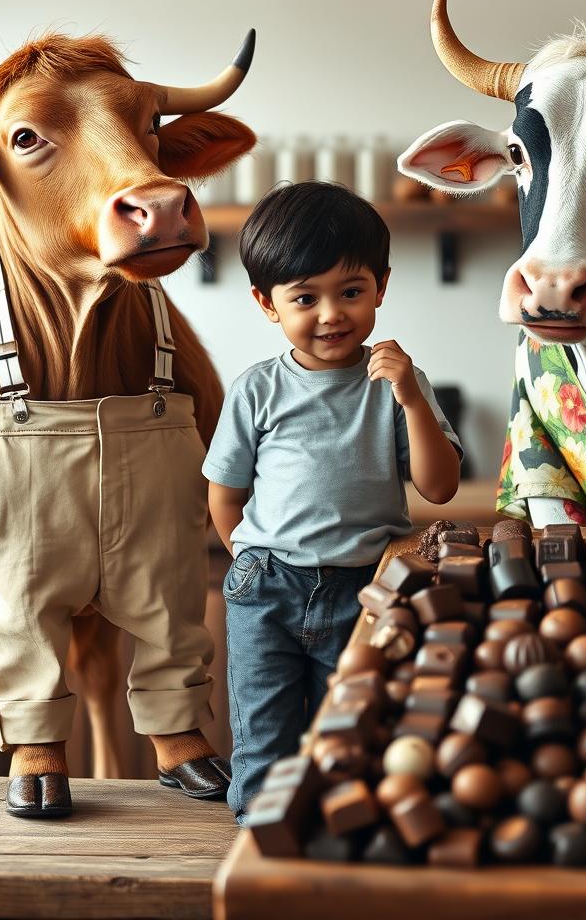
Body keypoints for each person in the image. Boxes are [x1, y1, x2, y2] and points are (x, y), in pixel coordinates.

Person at [203, 181, 463, 820]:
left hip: (365, 590)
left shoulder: (397, 382)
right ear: (268, 305)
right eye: (304, 298)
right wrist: (247, 554)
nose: (331, 315)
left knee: (345, 736)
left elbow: (440, 486)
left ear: (382, 285)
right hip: (267, 589)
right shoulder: (256, 390)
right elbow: (225, 491)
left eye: (352, 292)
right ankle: (262, 846)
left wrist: (409, 399)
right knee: (264, 740)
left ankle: (330, 848)